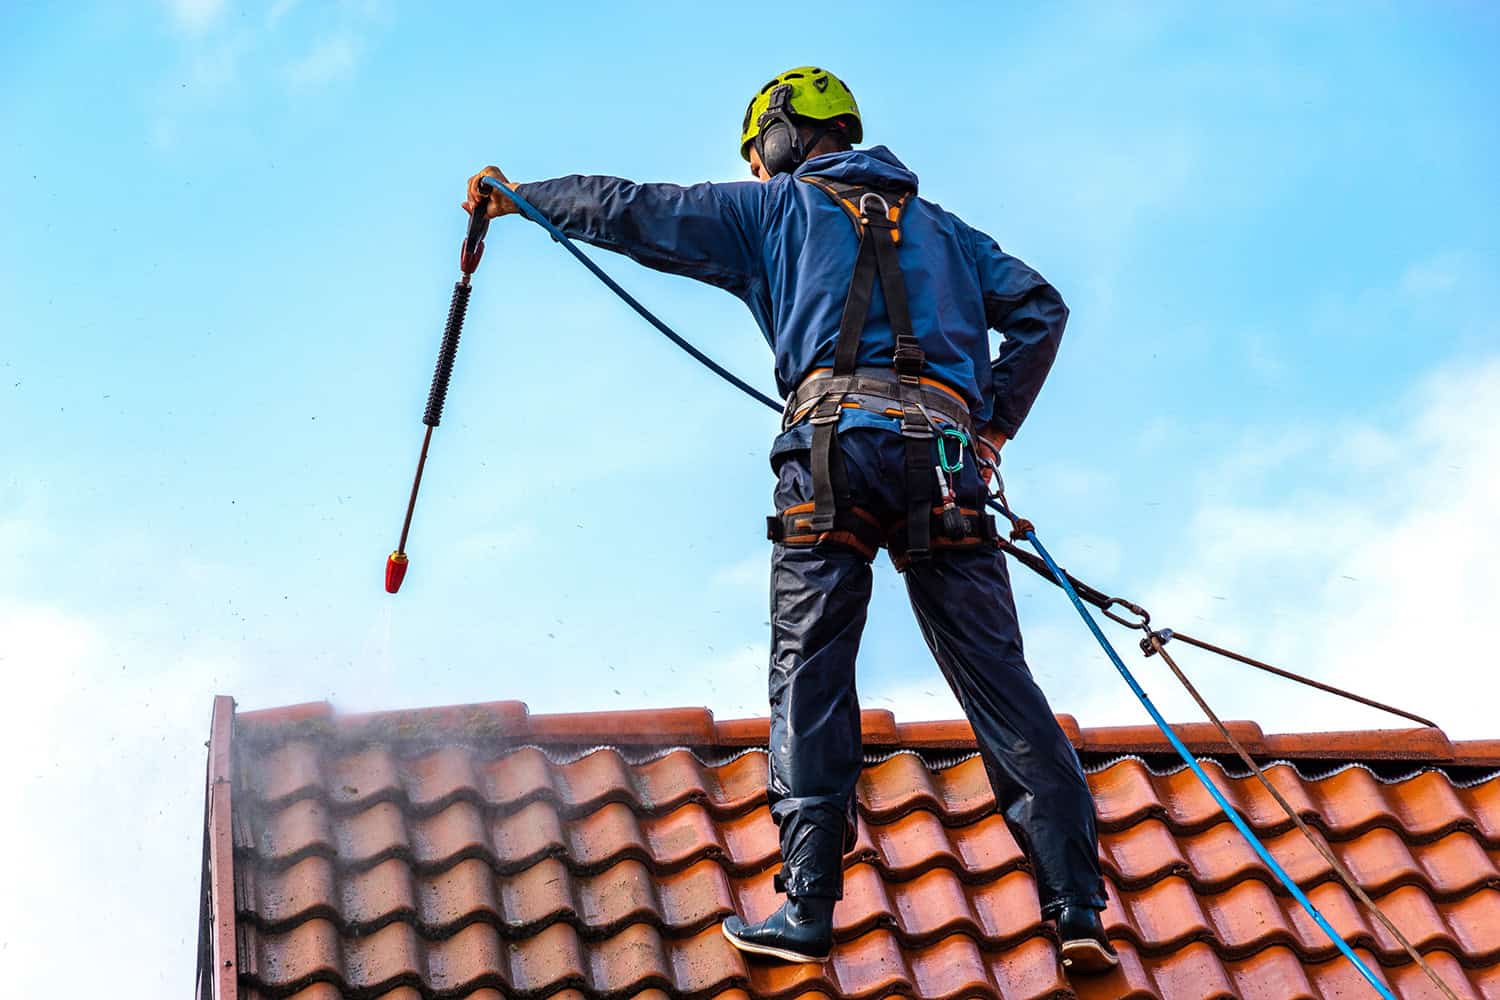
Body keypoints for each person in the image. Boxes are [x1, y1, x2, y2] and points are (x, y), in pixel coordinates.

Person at [464, 66, 1116, 974]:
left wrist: (520, 198)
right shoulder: (953, 235)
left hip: (831, 455)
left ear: (782, 134)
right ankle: (1077, 906)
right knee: (1000, 683)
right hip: (947, 463)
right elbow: (1041, 308)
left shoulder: (772, 214)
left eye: (759, 152)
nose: (759, 170)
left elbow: (635, 208)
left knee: (809, 669)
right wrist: (994, 422)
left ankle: (807, 909)